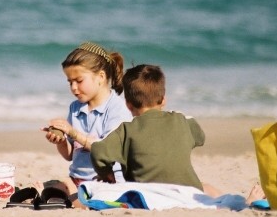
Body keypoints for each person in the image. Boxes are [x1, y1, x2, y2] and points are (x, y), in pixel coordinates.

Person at [90, 64, 209, 192]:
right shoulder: (182, 120)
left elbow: (97, 152)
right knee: (209, 188)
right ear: (163, 100)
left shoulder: (126, 130)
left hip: (146, 194)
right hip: (189, 191)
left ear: (128, 105)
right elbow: (200, 137)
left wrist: (107, 174)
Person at [43, 42, 132, 194]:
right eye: (70, 82)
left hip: (106, 180)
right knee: (48, 192)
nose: (73, 88)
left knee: (69, 197)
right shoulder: (75, 108)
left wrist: (72, 132)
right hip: (77, 178)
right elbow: (70, 155)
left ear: (101, 77)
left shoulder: (117, 108)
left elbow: (107, 150)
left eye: (79, 81)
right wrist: (62, 141)